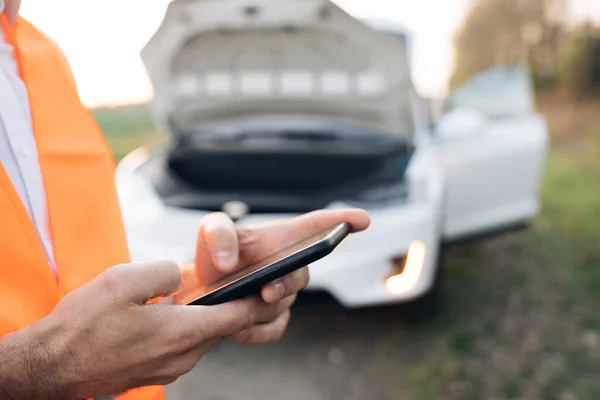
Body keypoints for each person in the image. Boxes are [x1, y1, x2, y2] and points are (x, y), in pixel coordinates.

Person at [0, 3, 370, 400]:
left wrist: (191, 289)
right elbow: (65, 349)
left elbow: (72, 286)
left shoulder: (41, 57)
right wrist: (43, 367)